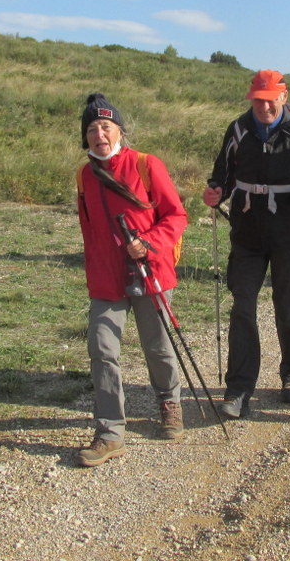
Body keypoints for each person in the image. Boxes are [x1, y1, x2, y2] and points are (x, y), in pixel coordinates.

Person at [202, 69, 290, 418]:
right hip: (247, 231)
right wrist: (216, 190)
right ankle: (239, 387)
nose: (264, 107)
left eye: (270, 100)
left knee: (287, 304)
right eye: (258, 100)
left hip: (289, 230)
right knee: (243, 305)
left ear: (284, 96)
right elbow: (223, 174)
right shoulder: (238, 129)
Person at [74, 93, 188, 467]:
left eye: (105, 126)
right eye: (91, 128)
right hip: (106, 278)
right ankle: (109, 433)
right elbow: (88, 230)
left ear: (119, 130)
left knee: (157, 346)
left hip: (149, 269)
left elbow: (176, 216)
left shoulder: (145, 164)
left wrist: (148, 243)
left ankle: (169, 402)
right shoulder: (85, 175)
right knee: (102, 349)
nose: (98, 134)